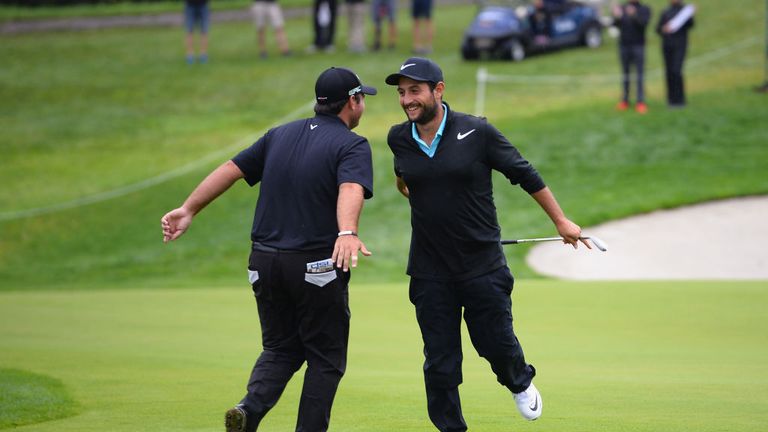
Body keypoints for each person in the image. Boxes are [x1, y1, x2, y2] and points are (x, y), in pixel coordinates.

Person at [161, 67, 377, 432]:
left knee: (281, 348)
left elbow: (231, 169)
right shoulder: (352, 144)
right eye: (362, 99)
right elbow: (351, 188)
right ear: (353, 101)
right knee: (325, 359)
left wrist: (189, 208)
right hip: (315, 265)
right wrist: (347, 232)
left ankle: (249, 410)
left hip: (263, 262)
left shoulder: (280, 135)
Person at [384, 57, 594, 432]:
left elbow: (524, 173)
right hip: (430, 270)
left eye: (414, 91)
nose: (407, 100)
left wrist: (561, 221)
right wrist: (415, 193)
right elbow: (404, 177)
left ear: (439, 90)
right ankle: (451, 427)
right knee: (440, 361)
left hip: (481, 264)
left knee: (494, 343)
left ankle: (519, 380)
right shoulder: (398, 137)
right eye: (402, 93)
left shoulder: (476, 131)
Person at [612, 0, 652, 114]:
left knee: (639, 74)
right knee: (625, 74)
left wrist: (633, 15)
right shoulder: (622, 8)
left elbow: (643, 24)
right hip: (624, 46)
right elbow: (615, 26)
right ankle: (625, 100)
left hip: (638, 46)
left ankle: (640, 102)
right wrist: (616, 16)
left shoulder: (644, 9)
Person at [656, 0, 695, 108]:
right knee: (669, 72)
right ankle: (671, 99)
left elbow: (691, 25)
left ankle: (680, 99)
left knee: (676, 71)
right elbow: (658, 29)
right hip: (667, 46)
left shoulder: (685, 11)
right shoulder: (665, 11)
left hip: (680, 46)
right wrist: (664, 28)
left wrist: (690, 14)